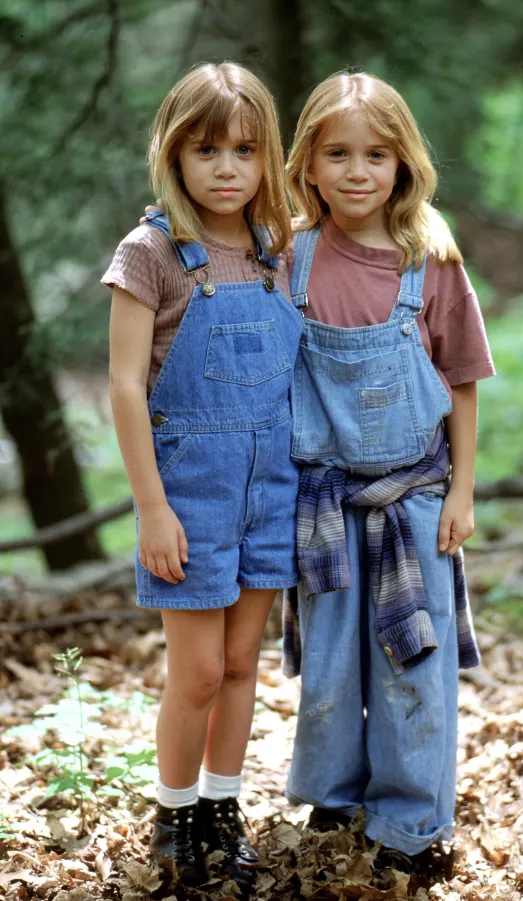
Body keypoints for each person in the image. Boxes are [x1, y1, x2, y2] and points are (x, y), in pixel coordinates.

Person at [282, 71, 495, 875]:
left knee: (414, 668)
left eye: (377, 154)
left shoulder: (428, 259)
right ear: (307, 162)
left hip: (415, 499)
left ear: (404, 163)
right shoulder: (291, 259)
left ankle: (408, 824)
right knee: (332, 669)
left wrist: (464, 489)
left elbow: (464, 378)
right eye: (338, 153)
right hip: (325, 506)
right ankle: (337, 803)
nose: (357, 171)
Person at [102, 62, 303, 892]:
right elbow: (121, 385)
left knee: (241, 663)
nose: (227, 167)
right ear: (173, 154)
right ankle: (174, 813)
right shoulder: (150, 252)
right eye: (206, 148)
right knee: (193, 671)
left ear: (269, 159)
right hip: (189, 490)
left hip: (271, 485)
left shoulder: (274, 247)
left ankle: (224, 809)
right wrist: (151, 507)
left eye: (246, 149)